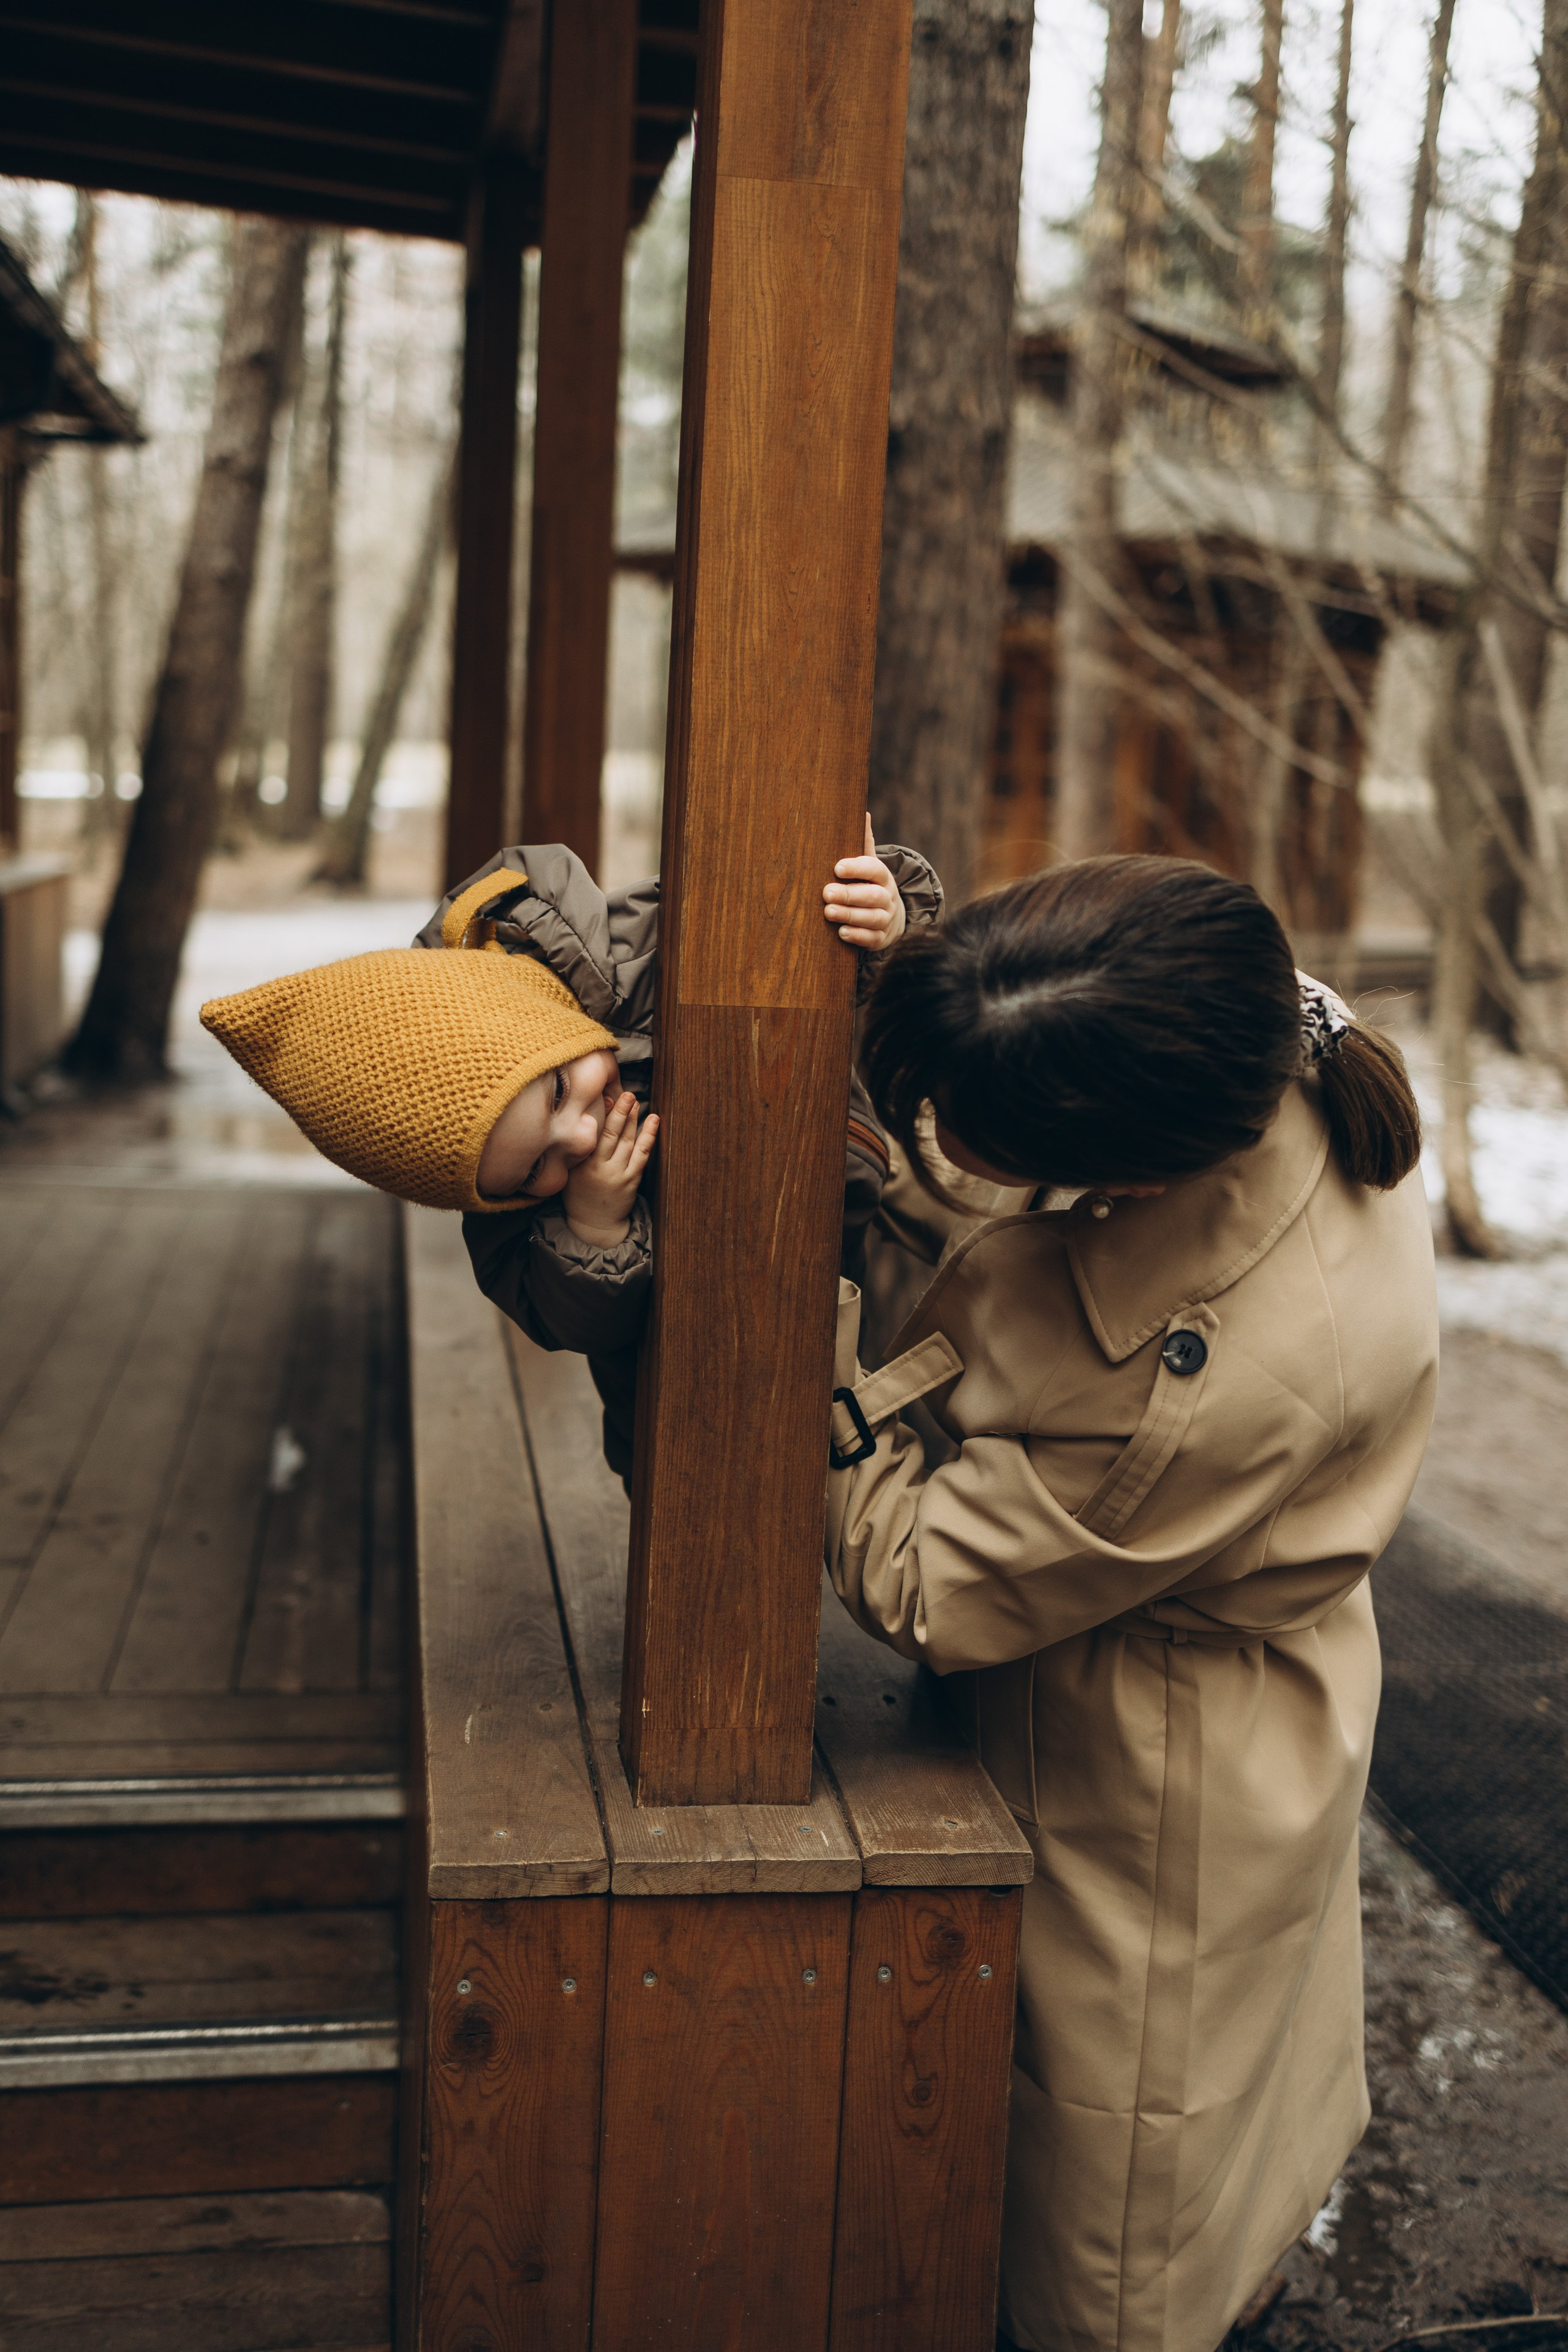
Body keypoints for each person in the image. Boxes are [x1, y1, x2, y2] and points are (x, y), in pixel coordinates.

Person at [823, 854, 1438, 2352]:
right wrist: (930, 974)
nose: (941, 1139)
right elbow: (1049, 1111)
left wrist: (797, 1360)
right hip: (1232, 1663)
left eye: (966, 1122)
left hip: (1156, 1752)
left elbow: (923, 1579)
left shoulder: (1203, 1381)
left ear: (1124, 1178)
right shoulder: (1239, 1027)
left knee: (1121, 2171)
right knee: (1216, 2082)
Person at [201, 825, 937, 1481]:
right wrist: (593, 1227)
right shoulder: (517, 1215)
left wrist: (887, 920)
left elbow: (790, 919)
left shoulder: (637, 948)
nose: (580, 1139)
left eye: (558, 1093)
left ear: (530, 1016)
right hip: (696, 1383)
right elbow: (571, 1322)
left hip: (868, 1164)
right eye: (535, 1170)